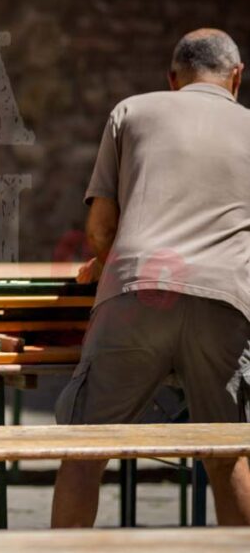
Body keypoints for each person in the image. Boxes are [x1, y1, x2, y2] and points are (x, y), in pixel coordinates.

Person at [51, 28, 250, 527]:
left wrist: (104, 262)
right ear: (236, 77)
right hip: (225, 299)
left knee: (85, 452)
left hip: (138, 292)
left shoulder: (132, 111)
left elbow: (100, 231)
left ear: (172, 78)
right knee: (229, 455)